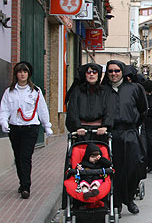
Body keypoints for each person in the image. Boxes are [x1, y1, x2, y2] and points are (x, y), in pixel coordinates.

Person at [0, 61, 53, 199]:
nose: (22, 74)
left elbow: (42, 109)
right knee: (18, 157)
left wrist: (47, 126)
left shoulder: (35, 91)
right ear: (16, 74)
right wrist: (4, 122)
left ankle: (26, 186)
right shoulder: (9, 91)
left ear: (28, 74)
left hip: (30, 128)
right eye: (20, 71)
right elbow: (4, 109)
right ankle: (22, 182)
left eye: (25, 71)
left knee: (25, 156)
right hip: (15, 128)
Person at [102, 60, 148, 215]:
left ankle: (129, 198)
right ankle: (116, 202)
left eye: (116, 71)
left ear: (122, 72)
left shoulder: (135, 89)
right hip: (110, 134)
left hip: (130, 132)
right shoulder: (102, 90)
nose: (113, 74)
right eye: (110, 71)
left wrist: (134, 124)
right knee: (114, 168)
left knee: (134, 166)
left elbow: (143, 110)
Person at [65, 63, 113, 139]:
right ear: (85, 74)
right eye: (88, 72)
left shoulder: (105, 92)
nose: (91, 74)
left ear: (98, 74)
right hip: (81, 131)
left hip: (100, 131)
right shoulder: (77, 91)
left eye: (94, 72)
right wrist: (77, 127)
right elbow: (73, 110)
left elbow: (109, 109)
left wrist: (105, 126)